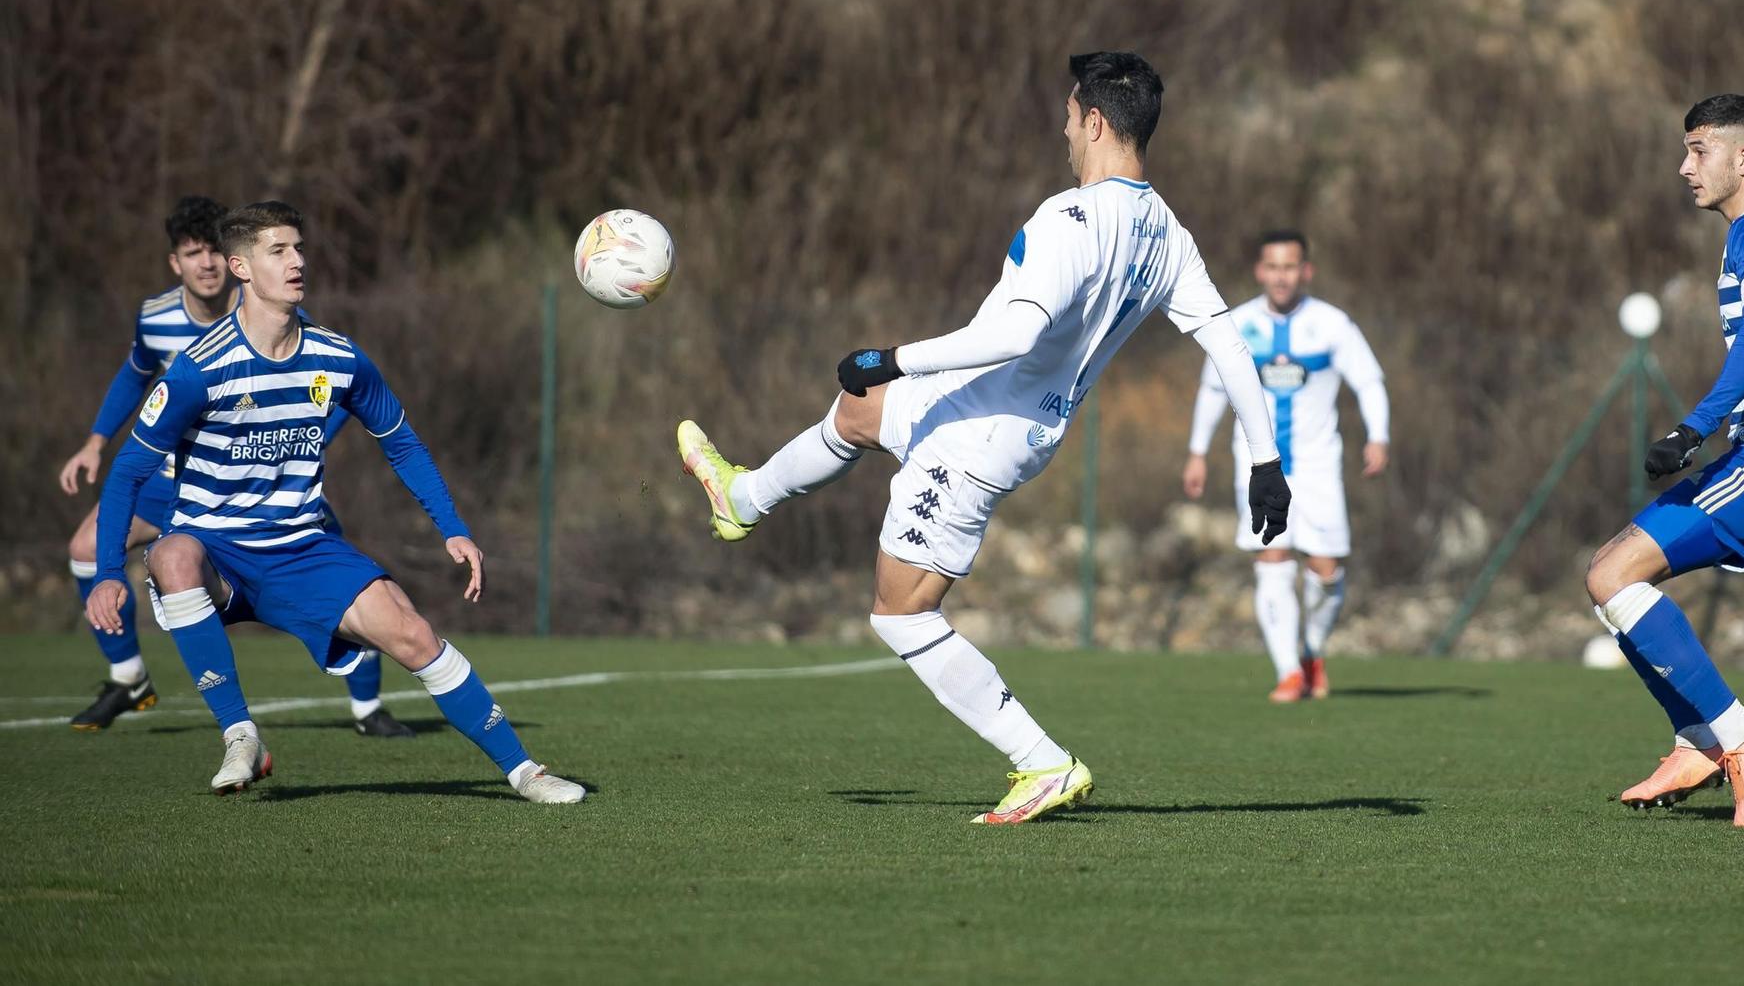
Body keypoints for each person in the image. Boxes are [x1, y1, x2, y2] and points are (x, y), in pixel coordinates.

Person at [676, 52, 1291, 824]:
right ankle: (743, 497)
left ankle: (1041, 763)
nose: (1064, 132)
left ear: (1095, 122)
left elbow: (1011, 332)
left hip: (979, 433)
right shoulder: (1166, 231)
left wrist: (891, 356)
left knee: (901, 613)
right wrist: (1266, 458)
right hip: (1000, 410)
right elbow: (1229, 343)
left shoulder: (1069, 219)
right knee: (858, 412)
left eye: (1070, 118)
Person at [84, 201, 582, 802]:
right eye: (279, 251)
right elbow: (128, 471)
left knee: (414, 635)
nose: (297, 261)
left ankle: (526, 772)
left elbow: (401, 443)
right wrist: (110, 571)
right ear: (240, 267)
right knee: (171, 555)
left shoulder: (338, 357)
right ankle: (240, 733)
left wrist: (452, 527)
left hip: (303, 548)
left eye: (299, 248)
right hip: (217, 549)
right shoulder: (198, 369)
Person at [57, 196, 410, 737]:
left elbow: (329, 394)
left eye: (212, 254)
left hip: (259, 483)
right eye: (191, 253)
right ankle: (128, 676)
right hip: (173, 482)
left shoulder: (270, 313)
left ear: (233, 261)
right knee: (86, 546)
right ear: (175, 262)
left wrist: (301, 449)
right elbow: (134, 376)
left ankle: (368, 706)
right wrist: (94, 442)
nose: (206, 265)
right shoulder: (156, 318)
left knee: (345, 571)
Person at [1586, 94, 1744, 827]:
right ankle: (1700, 737)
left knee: (1616, 575)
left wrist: (1694, 426)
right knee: (1607, 574)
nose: (1684, 167)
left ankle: (1735, 733)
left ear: (1743, 157)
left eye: (1698, 150)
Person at [1183, 230, 1389, 702]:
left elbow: (1369, 380)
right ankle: (1288, 672)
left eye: (1290, 267)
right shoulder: (1235, 324)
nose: (1281, 276)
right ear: (1260, 272)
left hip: (1318, 467)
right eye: (1272, 267)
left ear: (1305, 271)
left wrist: (1379, 436)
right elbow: (1213, 391)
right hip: (1256, 465)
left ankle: (1312, 650)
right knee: (1272, 559)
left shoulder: (1333, 324)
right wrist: (1197, 451)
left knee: (1326, 571)